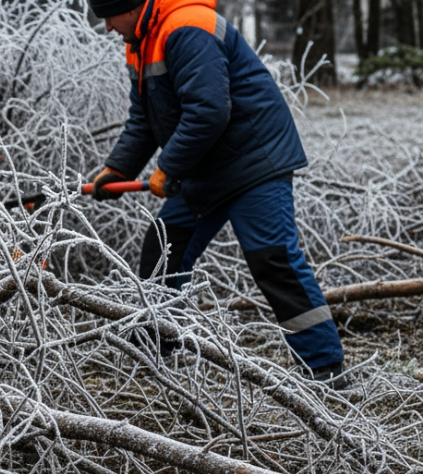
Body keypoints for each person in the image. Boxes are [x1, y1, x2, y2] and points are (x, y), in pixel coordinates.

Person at [87, 0, 348, 387]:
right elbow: (144, 118)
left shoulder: (187, 27)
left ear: (131, 7)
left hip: (254, 160)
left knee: (273, 259)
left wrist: (168, 168)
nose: (108, 27)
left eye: (109, 16)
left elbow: (208, 110)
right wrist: (116, 169)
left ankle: (325, 370)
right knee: (164, 250)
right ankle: (155, 354)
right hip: (205, 167)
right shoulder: (140, 41)